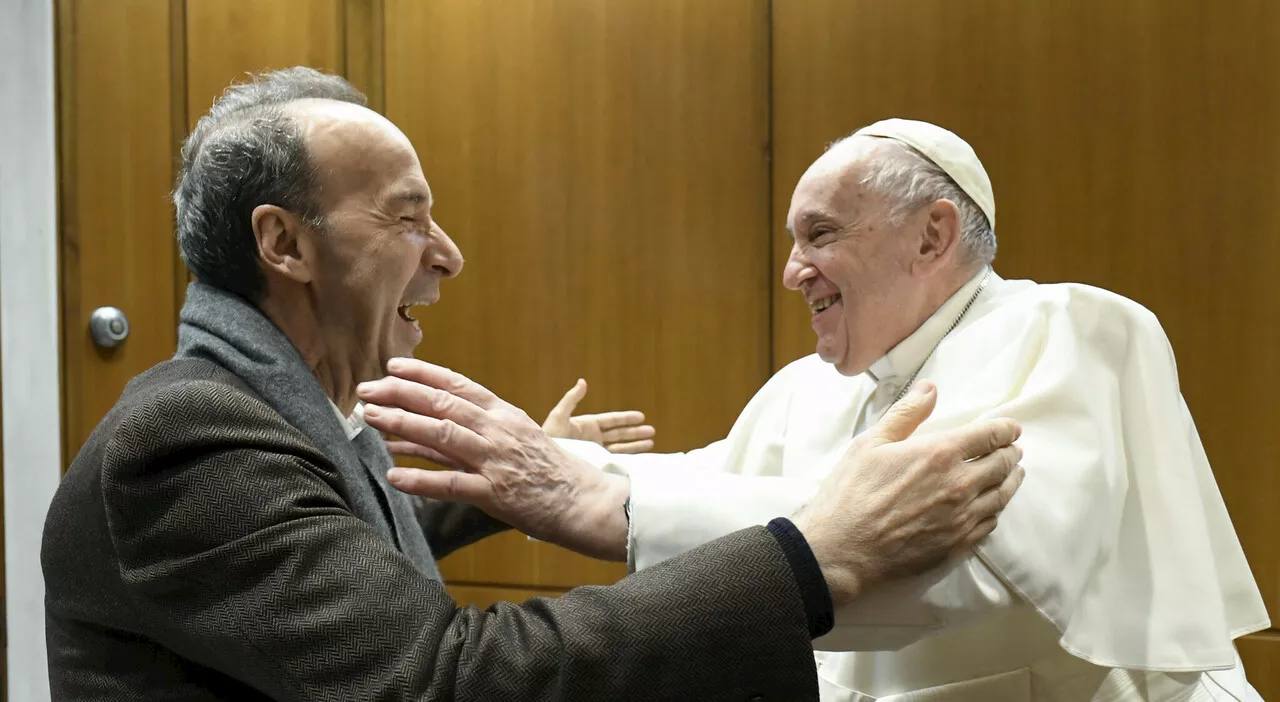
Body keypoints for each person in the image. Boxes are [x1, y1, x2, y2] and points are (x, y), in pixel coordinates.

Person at [40, 69, 1025, 701]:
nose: (448, 255)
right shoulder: (189, 441)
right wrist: (811, 558)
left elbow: (331, 541)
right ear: (284, 244)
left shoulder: (264, 409)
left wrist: (526, 475)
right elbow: (442, 680)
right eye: (407, 218)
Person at [381, 119, 1270, 700]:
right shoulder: (816, 383)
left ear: (932, 235)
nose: (792, 271)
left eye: (822, 235)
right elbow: (711, 485)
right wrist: (555, 468)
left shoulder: (1068, 327)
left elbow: (988, 558)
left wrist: (600, 501)